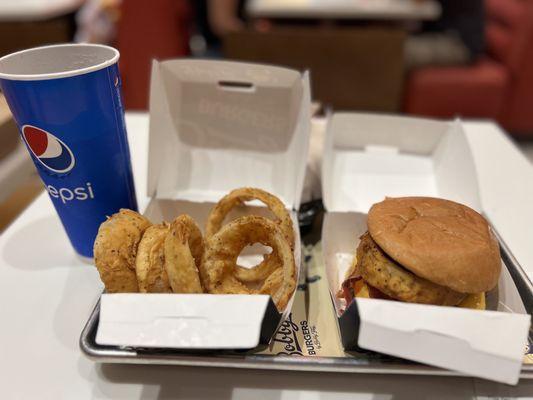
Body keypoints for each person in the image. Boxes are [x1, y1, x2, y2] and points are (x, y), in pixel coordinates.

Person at [405, 0, 485, 70]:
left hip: (461, 43)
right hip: (446, 35)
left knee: (398, 52)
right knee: (396, 42)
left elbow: (418, 2)